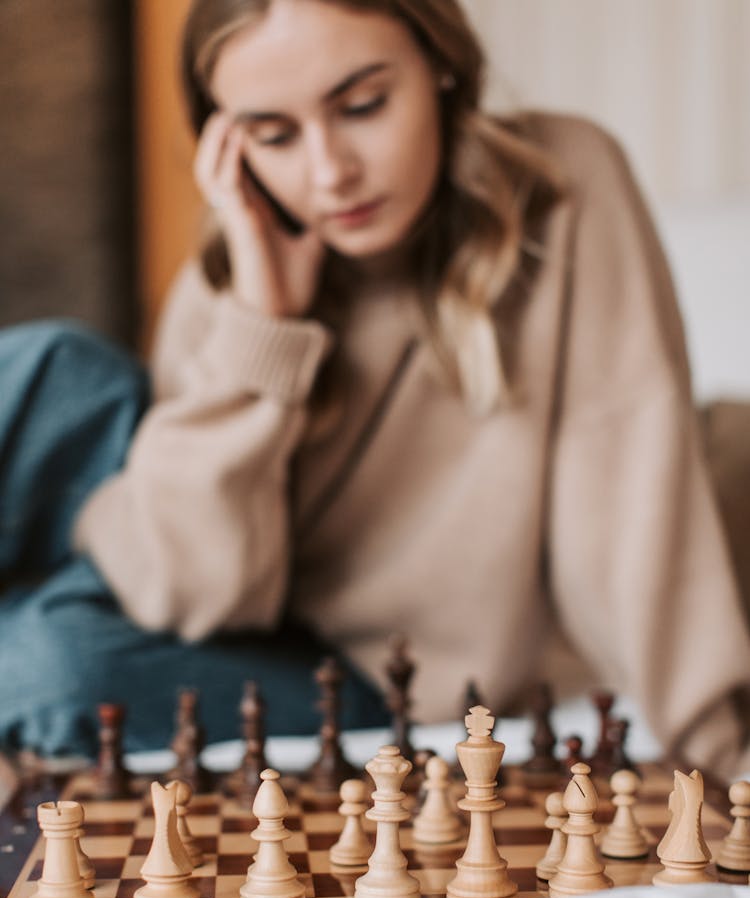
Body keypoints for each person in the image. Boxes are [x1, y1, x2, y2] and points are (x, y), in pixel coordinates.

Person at [0, 0, 748, 777]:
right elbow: (193, 588)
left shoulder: (567, 186)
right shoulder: (225, 281)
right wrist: (265, 323)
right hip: (171, 567)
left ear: (441, 64)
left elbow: (629, 494)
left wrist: (721, 762)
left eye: (362, 106)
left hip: (359, 672)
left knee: (42, 665)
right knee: (47, 365)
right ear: (227, 145)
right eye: (274, 134)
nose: (329, 172)